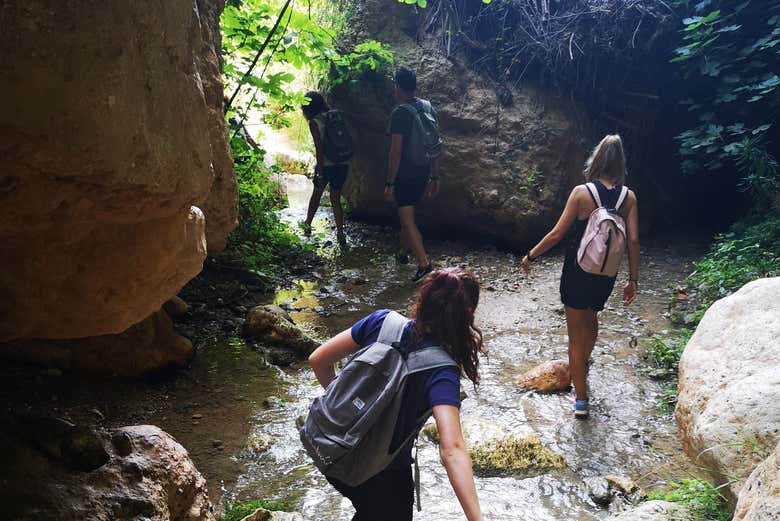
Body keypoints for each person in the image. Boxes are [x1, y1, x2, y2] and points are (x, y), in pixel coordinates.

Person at [308, 268, 485, 521]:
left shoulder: (382, 321)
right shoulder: (442, 372)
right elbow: (452, 449)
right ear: (466, 315)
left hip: (327, 446)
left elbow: (318, 360)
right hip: (380, 474)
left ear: (424, 299)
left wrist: (346, 413)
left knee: (369, 511)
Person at [521, 134, 639, 419]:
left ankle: (581, 401)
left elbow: (556, 234)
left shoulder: (581, 193)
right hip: (606, 272)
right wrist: (633, 279)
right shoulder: (629, 197)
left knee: (574, 336)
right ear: (621, 164)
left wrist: (531, 256)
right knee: (591, 316)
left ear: (596, 159)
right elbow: (633, 240)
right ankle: (582, 366)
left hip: (577, 269)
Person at [385, 66, 441, 282]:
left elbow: (395, 152)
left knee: (407, 219)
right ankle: (403, 252)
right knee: (407, 215)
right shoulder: (427, 107)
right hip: (424, 170)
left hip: (406, 174)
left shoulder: (400, 113)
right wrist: (435, 176)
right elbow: (434, 144)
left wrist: (390, 183)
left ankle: (424, 264)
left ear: (398, 87)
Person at [301, 91, 349, 246]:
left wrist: (320, 172)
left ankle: (307, 225)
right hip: (342, 162)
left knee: (316, 194)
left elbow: (319, 149)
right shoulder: (336, 115)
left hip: (327, 165)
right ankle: (340, 234)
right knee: (335, 198)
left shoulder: (314, 122)